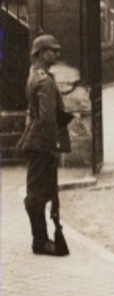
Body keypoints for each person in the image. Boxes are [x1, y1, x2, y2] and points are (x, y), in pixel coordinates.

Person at [16, 34, 73, 256]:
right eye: (53, 50)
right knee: (38, 193)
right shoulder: (45, 81)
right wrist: (53, 146)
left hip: (37, 140)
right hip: (42, 143)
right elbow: (47, 118)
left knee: (39, 190)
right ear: (40, 53)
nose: (57, 54)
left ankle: (41, 238)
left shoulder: (36, 75)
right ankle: (39, 241)